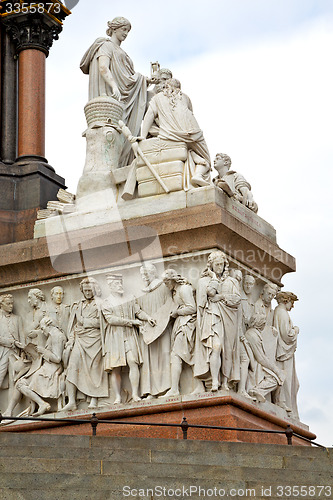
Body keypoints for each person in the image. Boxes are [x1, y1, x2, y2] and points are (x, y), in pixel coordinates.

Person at [80, 17, 149, 167]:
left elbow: (128, 78)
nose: (126, 33)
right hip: (111, 97)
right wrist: (114, 86)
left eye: (128, 31)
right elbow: (103, 67)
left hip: (123, 97)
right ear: (115, 29)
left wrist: (146, 81)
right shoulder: (105, 46)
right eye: (124, 29)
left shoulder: (122, 51)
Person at [140, 78, 211, 188]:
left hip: (170, 135)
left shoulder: (157, 98)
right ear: (178, 88)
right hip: (193, 134)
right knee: (206, 159)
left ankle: (194, 160)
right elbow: (190, 114)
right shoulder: (186, 97)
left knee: (194, 152)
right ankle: (198, 174)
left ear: (166, 87)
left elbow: (149, 115)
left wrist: (143, 137)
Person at [101, 274, 156, 404]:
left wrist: (148, 318)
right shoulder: (106, 302)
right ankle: (118, 397)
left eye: (120, 283)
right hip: (115, 335)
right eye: (116, 284)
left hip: (130, 334)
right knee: (116, 367)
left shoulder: (130, 298)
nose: (120, 286)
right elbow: (110, 319)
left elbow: (138, 312)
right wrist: (131, 322)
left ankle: (135, 394)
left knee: (133, 361)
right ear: (110, 287)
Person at [195, 251, 241, 391]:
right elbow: (209, 293)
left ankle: (225, 382)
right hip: (212, 317)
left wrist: (221, 297)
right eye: (217, 265)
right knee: (216, 346)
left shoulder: (232, 281)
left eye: (222, 264)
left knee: (227, 350)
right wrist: (214, 277)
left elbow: (237, 299)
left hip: (229, 319)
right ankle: (215, 381)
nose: (220, 267)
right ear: (211, 266)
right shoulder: (204, 281)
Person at [4, 317, 66, 417]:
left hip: (51, 370)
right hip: (46, 367)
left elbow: (57, 358)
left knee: (20, 384)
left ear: (49, 325)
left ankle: (42, 404)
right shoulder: (52, 334)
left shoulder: (56, 336)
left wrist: (43, 351)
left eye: (42, 328)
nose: (42, 331)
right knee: (20, 383)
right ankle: (9, 411)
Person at [62, 278, 108, 411]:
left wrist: (85, 321)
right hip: (79, 339)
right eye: (86, 290)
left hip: (95, 340)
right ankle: (71, 401)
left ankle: (94, 399)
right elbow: (72, 325)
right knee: (72, 366)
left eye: (90, 290)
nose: (88, 293)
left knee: (95, 369)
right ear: (81, 290)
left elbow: (103, 322)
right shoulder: (76, 305)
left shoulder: (101, 304)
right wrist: (71, 340)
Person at [162, 269, 202, 397]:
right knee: (188, 355)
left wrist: (177, 312)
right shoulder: (177, 290)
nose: (166, 285)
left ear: (172, 279)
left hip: (187, 325)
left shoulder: (184, 289)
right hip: (182, 324)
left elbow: (192, 307)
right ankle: (199, 386)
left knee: (178, 355)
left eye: (167, 282)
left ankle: (175, 389)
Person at [137, 263, 172, 398]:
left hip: (163, 327)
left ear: (154, 273)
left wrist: (160, 319)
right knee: (149, 360)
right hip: (148, 331)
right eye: (142, 273)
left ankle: (168, 387)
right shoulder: (141, 292)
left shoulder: (163, 287)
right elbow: (137, 310)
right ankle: (151, 391)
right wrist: (146, 318)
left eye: (146, 272)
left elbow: (170, 303)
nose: (144, 276)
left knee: (165, 355)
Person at [242, 313, 284, 403]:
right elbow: (260, 358)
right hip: (256, 366)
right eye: (263, 323)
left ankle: (278, 402)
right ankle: (257, 390)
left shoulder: (254, 333)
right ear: (260, 323)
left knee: (278, 378)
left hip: (258, 363)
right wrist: (275, 369)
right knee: (275, 379)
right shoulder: (252, 335)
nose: (264, 325)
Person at [273, 291, 300, 418]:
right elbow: (286, 335)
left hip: (284, 353)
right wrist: (295, 330)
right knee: (288, 381)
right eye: (291, 302)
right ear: (285, 301)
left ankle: (288, 407)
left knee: (292, 382)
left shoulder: (279, 312)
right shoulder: (282, 313)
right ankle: (288, 409)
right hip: (284, 353)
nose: (292, 306)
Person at [0, 294, 24, 389]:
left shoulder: (17, 319)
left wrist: (23, 352)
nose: (11, 306)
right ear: (1, 304)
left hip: (15, 352)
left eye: (12, 303)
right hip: (3, 352)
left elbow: (22, 336)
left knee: (16, 380)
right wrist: (12, 342)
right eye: (8, 303)